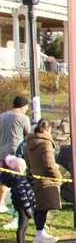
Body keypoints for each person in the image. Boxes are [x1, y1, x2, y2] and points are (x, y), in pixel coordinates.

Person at [23, 119, 61, 243]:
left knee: (38, 206)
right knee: (43, 208)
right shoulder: (46, 143)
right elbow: (49, 163)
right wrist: (58, 176)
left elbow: (27, 159)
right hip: (46, 179)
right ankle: (39, 235)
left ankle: (41, 233)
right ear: (48, 129)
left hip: (35, 177)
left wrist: (32, 170)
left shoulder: (29, 142)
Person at [0, 95, 31, 224]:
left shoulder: (2, 116)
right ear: (23, 106)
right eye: (27, 106)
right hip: (15, 154)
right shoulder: (23, 118)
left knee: (3, 181)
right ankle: (16, 213)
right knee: (18, 184)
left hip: (1, 153)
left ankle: (1, 203)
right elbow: (28, 136)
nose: (27, 109)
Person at [1, 155, 35, 243]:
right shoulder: (15, 178)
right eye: (19, 166)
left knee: (26, 224)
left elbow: (29, 185)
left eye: (23, 166)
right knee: (22, 224)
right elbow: (20, 190)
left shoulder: (21, 177)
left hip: (26, 202)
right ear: (14, 167)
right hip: (21, 203)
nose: (22, 168)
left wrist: (30, 178)